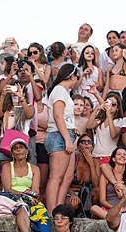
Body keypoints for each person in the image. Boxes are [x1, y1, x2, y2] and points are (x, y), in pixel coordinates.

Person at [1, 137, 50, 232]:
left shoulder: (34, 168)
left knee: (41, 212)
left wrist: (30, 197)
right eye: (16, 148)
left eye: (21, 147)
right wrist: (25, 196)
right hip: (11, 197)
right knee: (21, 208)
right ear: (12, 152)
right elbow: (8, 188)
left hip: (29, 197)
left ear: (27, 151)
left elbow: (36, 190)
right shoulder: (7, 167)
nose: (19, 150)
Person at [45, 64, 80, 215]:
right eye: (77, 77)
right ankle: (51, 212)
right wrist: (67, 138)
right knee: (56, 177)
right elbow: (58, 116)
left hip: (66, 134)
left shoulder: (63, 91)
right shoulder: (59, 90)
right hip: (59, 135)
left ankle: (58, 209)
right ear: (72, 76)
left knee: (67, 176)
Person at [87, 92, 123, 178]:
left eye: (113, 104)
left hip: (110, 156)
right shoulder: (100, 120)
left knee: (106, 184)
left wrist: (109, 115)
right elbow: (89, 126)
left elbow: (113, 134)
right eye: (108, 103)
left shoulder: (119, 120)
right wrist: (96, 110)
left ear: (117, 108)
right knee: (96, 184)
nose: (110, 106)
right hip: (96, 155)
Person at [90, 146, 126, 219]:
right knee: (94, 208)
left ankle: (116, 219)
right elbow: (102, 200)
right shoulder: (105, 176)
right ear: (113, 159)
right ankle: (113, 218)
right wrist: (115, 208)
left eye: (124, 154)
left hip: (125, 209)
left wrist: (124, 209)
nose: (122, 156)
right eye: (119, 154)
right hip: (110, 209)